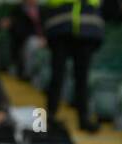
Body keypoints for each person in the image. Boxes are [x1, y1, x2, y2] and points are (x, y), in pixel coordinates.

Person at [44, 0, 106, 132]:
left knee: (82, 79)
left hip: (86, 29)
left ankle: (84, 119)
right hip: (60, 28)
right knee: (57, 76)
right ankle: (49, 117)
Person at [10, 0, 47, 81]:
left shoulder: (42, 10)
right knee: (32, 43)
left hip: (44, 40)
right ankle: (27, 74)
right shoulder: (18, 10)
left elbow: (46, 27)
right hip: (24, 42)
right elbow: (18, 31)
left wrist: (44, 38)